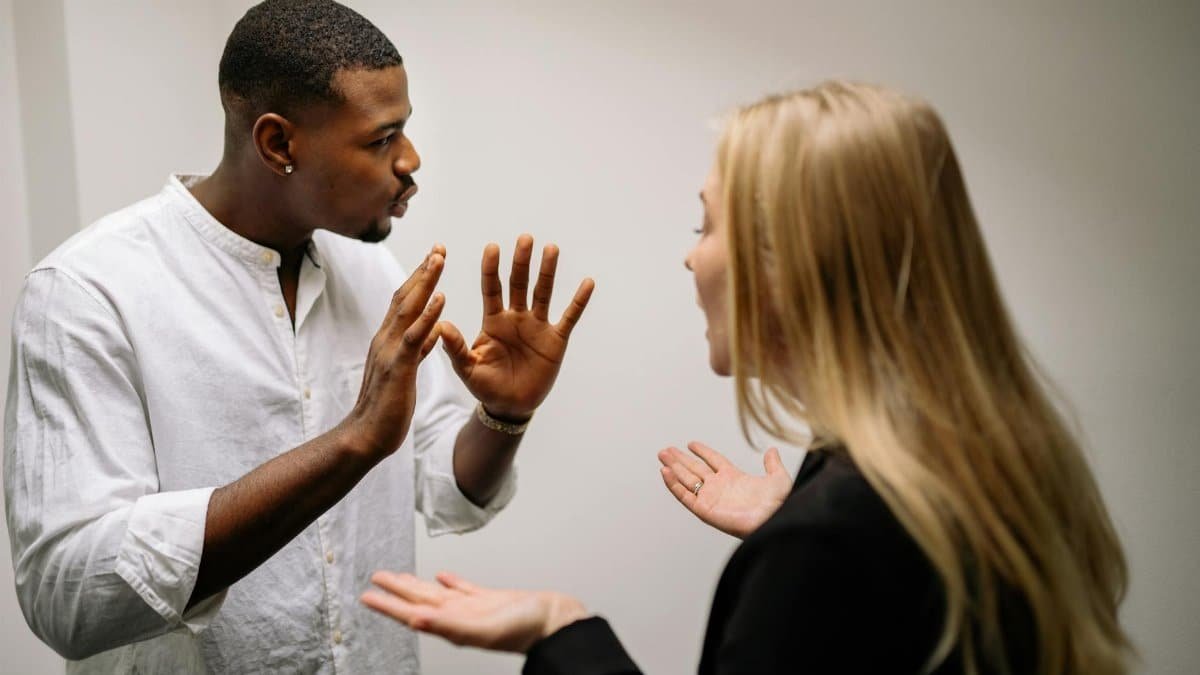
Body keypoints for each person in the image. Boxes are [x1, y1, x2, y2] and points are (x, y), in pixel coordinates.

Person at [360, 82, 1134, 674]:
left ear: (789, 264)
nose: (692, 257)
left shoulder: (828, 543)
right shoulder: (989, 464)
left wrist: (560, 628)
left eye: (707, 225)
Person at [3, 0, 594, 672]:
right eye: (381, 139)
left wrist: (503, 415)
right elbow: (68, 594)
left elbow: (443, 485)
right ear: (278, 143)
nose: (411, 159)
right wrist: (349, 444)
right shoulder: (88, 292)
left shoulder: (370, 269)